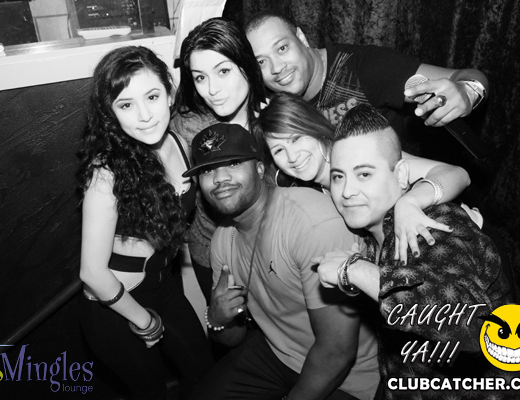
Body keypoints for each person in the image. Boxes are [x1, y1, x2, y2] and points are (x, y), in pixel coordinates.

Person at [313, 104, 512, 399]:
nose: (347, 191)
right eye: (338, 177)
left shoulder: (433, 224)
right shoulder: (374, 235)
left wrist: (354, 270)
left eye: (364, 174)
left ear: (401, 175)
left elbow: (471, 329)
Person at [183, 123, 380, 400]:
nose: (219, 178)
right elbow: (232, 338)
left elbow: (337, 352)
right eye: (207, 170)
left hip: (348, 379)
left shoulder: (312, 223)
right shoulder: (221, 239)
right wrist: (217, 319)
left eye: (234, 163)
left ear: (259, 169)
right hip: (278, 354)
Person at [77, 46, 214, 400]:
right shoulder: (106, 173)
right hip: (114, 306)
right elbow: (92, 272)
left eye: (152, 97)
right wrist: (143, 320)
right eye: (126, 105)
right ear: (111, 114)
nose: (144, 116)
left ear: (169, 94)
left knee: (205, 375)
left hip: (164, 288)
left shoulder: (179, 143)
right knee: (151, 392)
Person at [253, 91, 475, 262]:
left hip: (461, 244)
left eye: (296, 139)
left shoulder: (357, 151)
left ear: (314, 128)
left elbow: (458, 174)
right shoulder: (307, 194)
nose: (292, 157)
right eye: (279, 150)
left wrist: (410, 202)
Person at [245, 11, 489, 132]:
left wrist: (467, 91)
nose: (277, 68)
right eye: (261, 62)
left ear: (301, 38)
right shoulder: (268, 103)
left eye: (282, 48)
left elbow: (470, 76)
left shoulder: (364, 68)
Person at [169, 17, 268, 299]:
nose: (212, 90)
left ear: (246, 64)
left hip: (273, 250)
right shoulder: (189, 127)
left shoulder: (275, 115)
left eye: (223, 71)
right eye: (200, 77)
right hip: (213, 255)